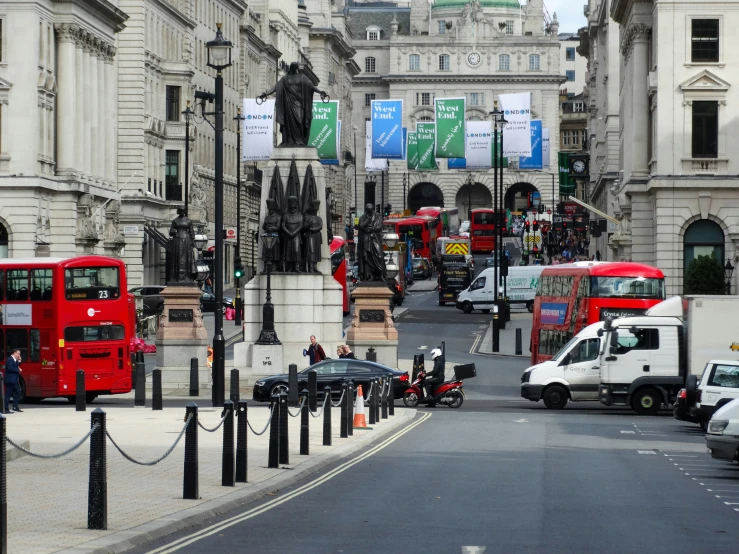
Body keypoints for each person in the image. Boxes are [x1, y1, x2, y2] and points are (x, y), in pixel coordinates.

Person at [4, 349, 23, 413]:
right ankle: (5, 409)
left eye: (19, 354)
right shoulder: (10, 360)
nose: (19, 355)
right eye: (18, 354)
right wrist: (18, 370)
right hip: (10, 380)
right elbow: (10, 368)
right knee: (8, 395)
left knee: (18, 392)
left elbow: (16, 366)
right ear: (14, 353)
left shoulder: (15, 360)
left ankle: (15, 407)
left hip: (14, 381)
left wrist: (19, 361)